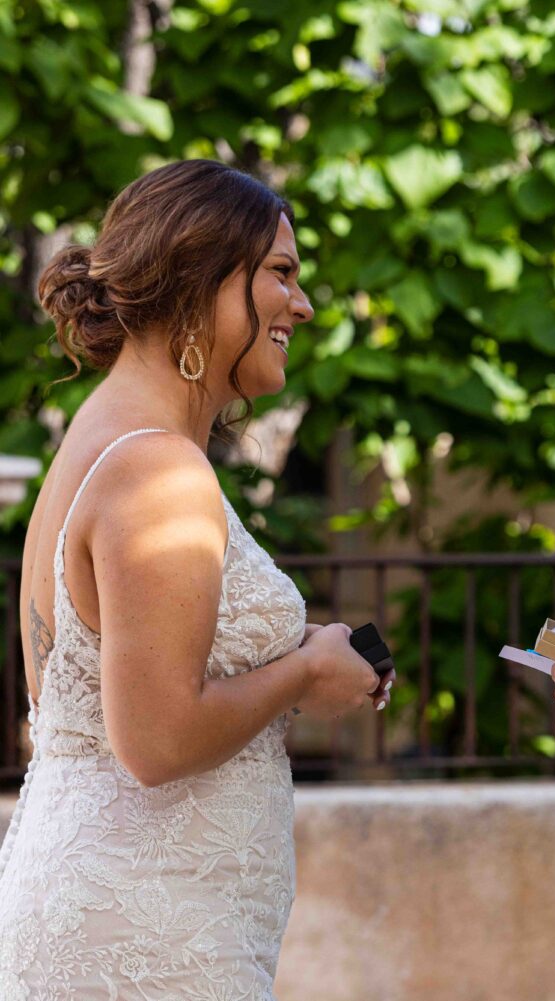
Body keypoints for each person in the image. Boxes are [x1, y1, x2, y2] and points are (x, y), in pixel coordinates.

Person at [0, 159, 393, 999]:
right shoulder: (156, 471)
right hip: (147, 928)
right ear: (199, 278)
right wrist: (307, 672)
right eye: (280, 273)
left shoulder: (101, 437)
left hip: (115, 899)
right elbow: (157, 739)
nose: (303, 303)